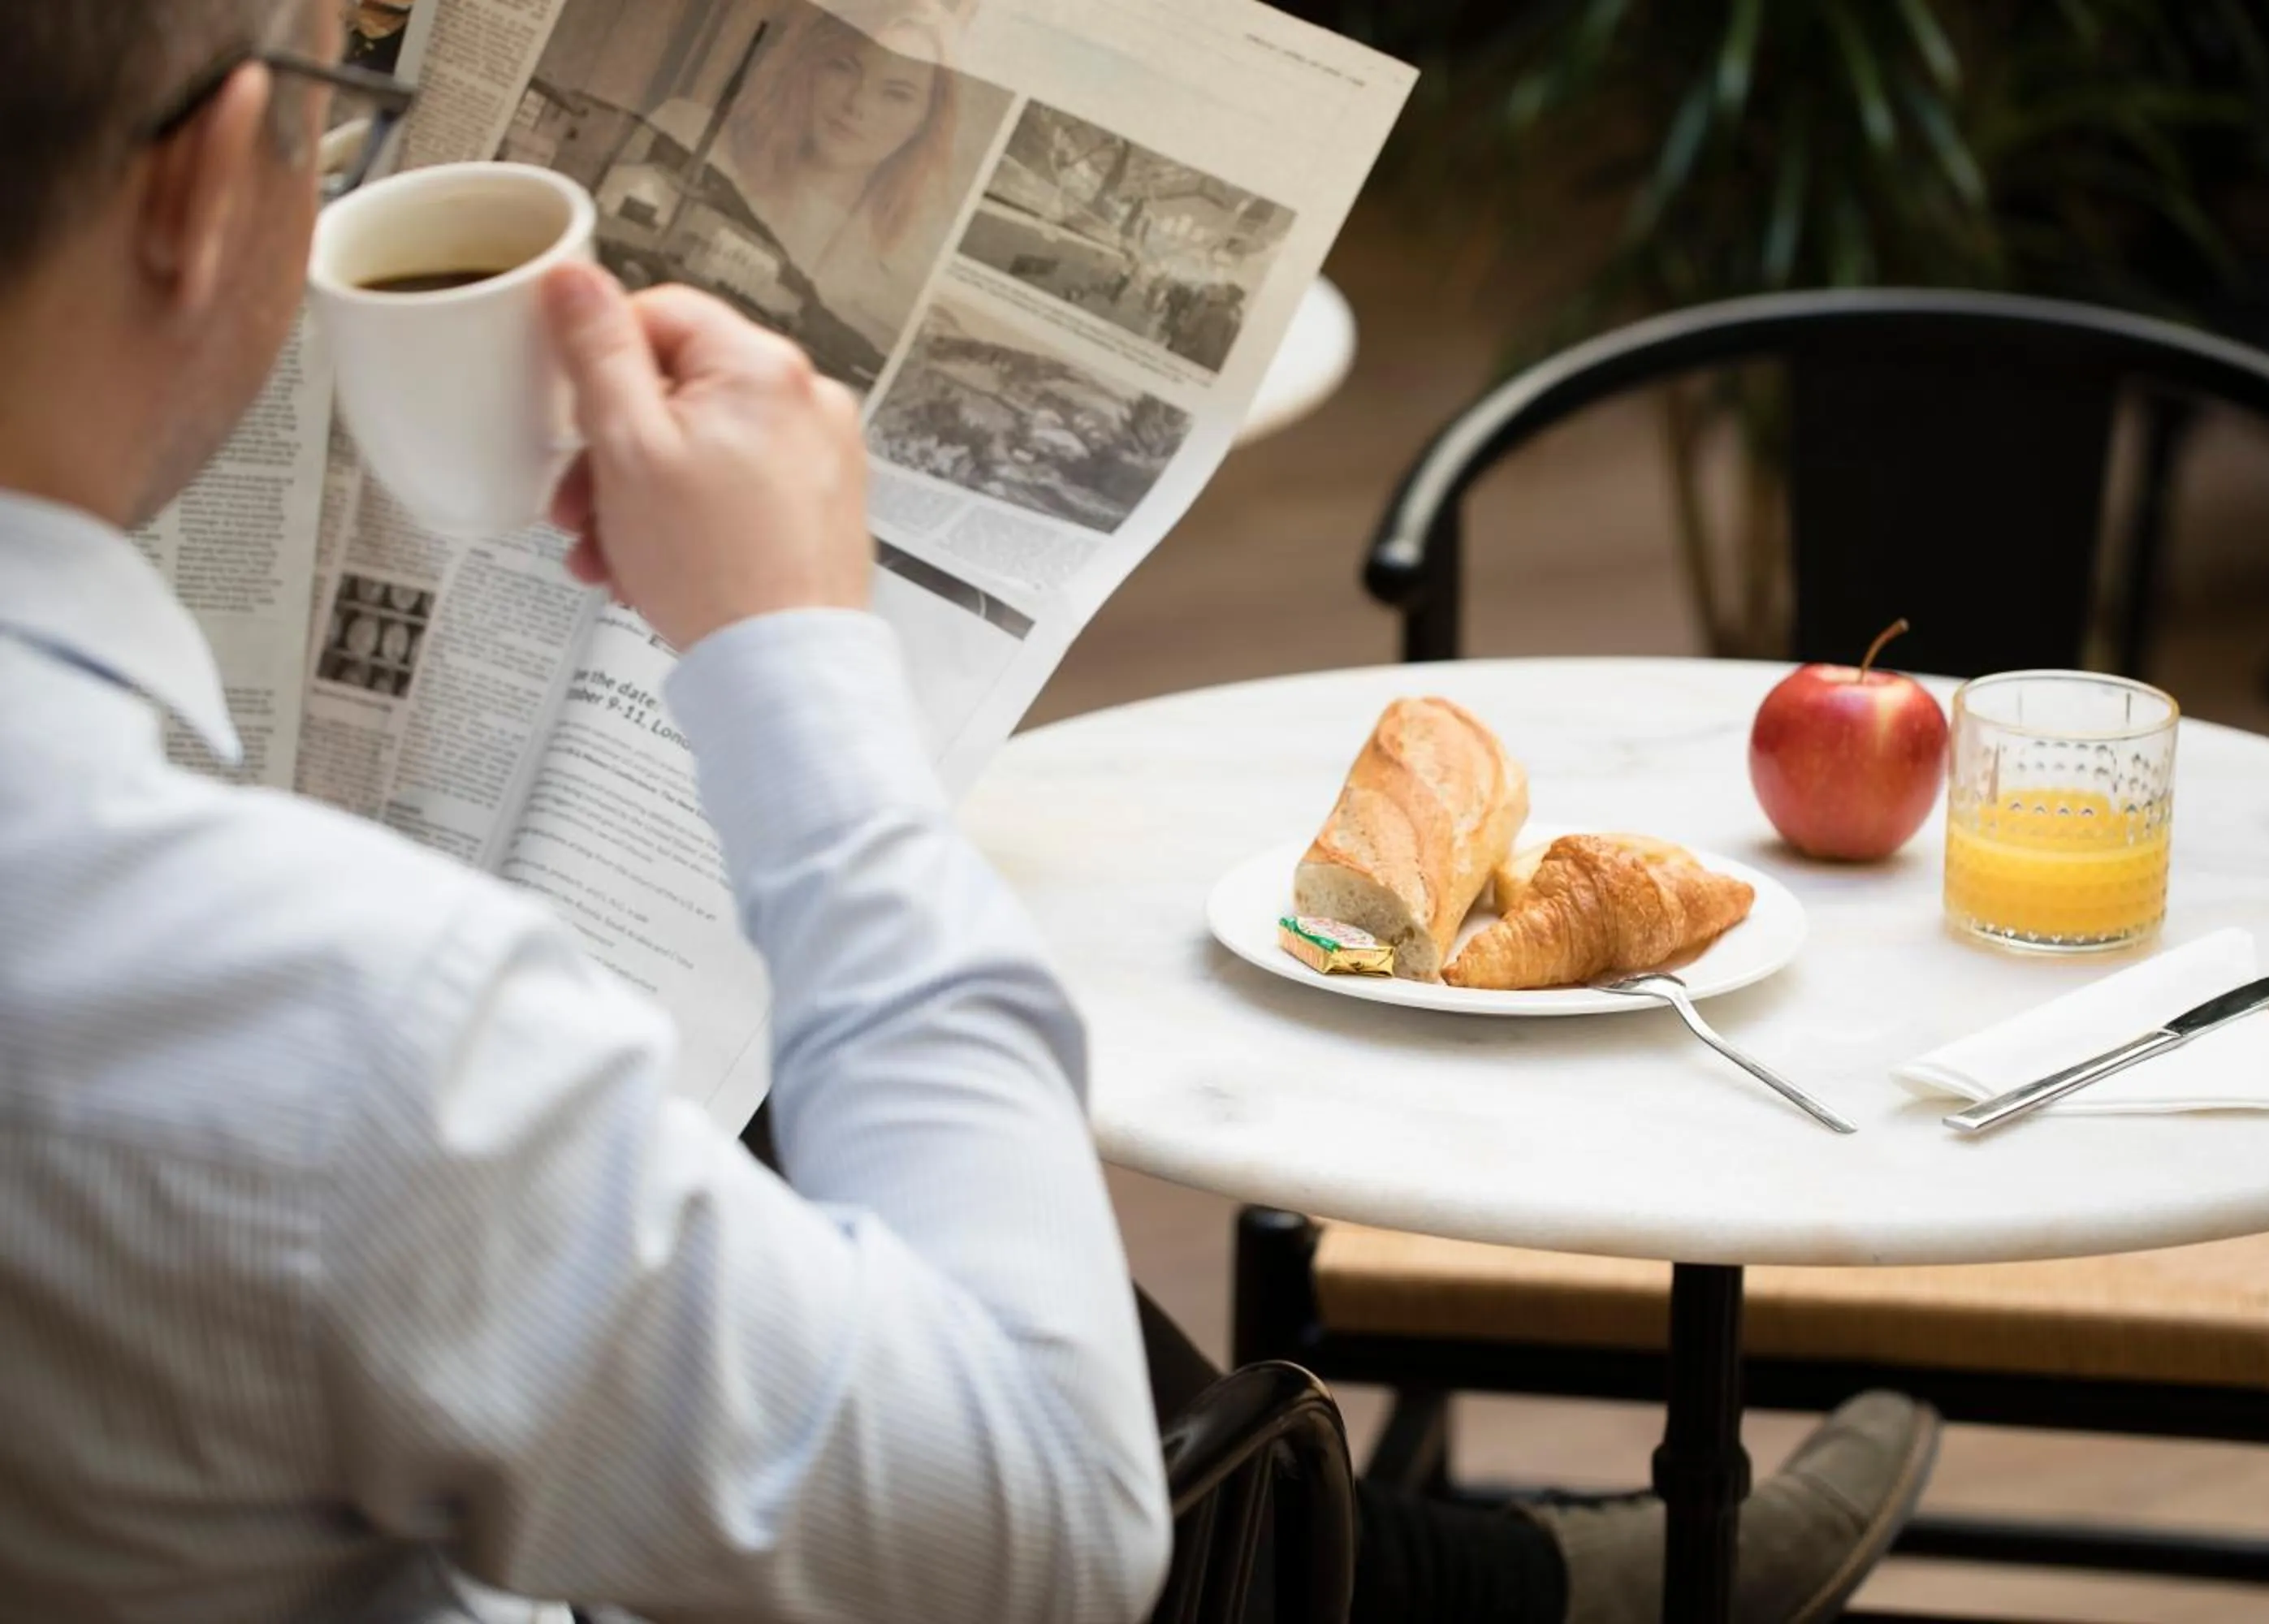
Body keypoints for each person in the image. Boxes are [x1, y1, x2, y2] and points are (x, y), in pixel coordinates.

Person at [0, 2, 1936, 1622]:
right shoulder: (327, 1023)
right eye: (335, 102)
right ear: (201, 179)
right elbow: (1045, 1521)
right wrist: (790, 648)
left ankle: (1452, 1578)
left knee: (751, 1127)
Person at [611, 0, 975, 366]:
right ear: (809, 67)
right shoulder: (685, 136)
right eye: (843, 68)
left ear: (926, 121)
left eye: (896, 94)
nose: (858, 104)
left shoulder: (897, 274)